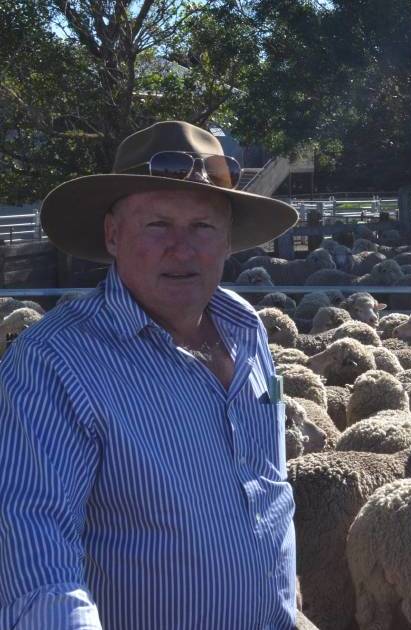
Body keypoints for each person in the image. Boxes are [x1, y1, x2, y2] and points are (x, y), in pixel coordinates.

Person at [0, 121, 302, 629]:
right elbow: (36, 557)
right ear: (113, 235)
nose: (182, 250)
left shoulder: (247, 327)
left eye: (203, 227)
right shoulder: (52, 364)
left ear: (227, 240)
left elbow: (268, 487)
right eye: (157, 225)